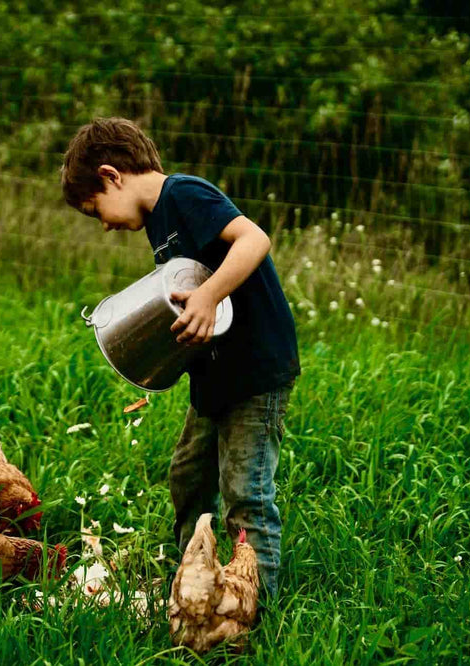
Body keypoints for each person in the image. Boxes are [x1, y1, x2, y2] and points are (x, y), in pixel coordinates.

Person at [61, 117, 300, 603]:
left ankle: (257, 613)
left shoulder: (185, 195)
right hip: (215, 376)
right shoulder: (159, 223)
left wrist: (210, 295)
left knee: (247, 495)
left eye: (97, 211)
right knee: (188, 477)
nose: (105, 225)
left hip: (255, 372)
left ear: (112, 176)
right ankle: (189, 587)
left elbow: (254, 239)